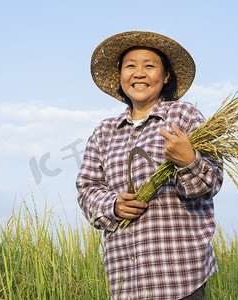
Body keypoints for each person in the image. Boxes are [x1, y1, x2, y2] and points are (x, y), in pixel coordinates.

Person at [76, 31, 223, 299]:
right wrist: (113, 205)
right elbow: (87, 188)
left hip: (179, 275)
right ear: (121, 76)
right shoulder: (104, 131)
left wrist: (188, 161)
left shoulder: (183, 116)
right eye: (130, 66)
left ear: (165, 76)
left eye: (150, 66)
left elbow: (210, 182)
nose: (139, 73)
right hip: (125, 278)